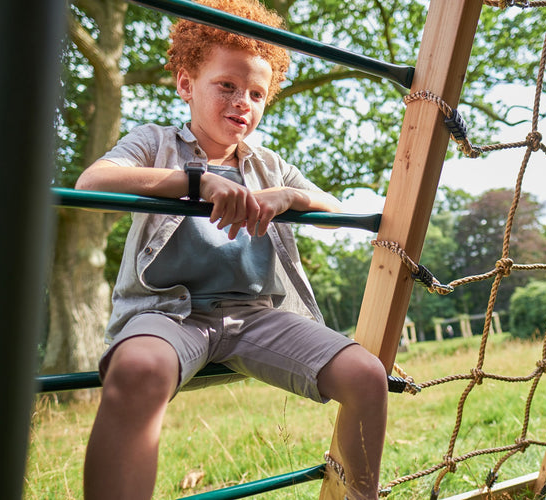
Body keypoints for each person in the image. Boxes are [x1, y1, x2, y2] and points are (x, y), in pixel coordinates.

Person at [75, 1, 388, 499]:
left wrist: (292, 196)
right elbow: (92, 181)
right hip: (171, 314)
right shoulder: (155, 143)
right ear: (185, 84)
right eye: (227, 85)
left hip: (255, 316)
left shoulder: (267, 165)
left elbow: (333, 208)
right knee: (137, 369)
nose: (243, 101)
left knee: (367, 375)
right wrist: (196, 183)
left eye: (257, 94)